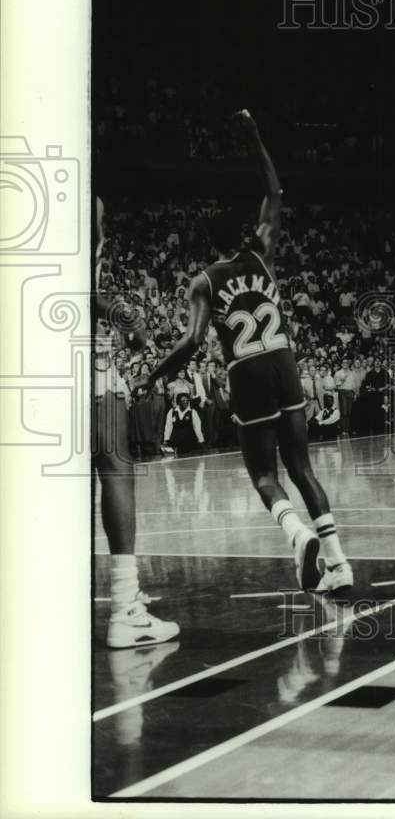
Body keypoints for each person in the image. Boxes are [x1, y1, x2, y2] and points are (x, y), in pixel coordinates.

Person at [146, 110, 352, 595]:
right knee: (302, 469)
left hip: (247, 372)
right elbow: (276, 191)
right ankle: (340, 564)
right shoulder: (262, 253)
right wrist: (255, 134)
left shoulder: (202, 281)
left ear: (205, 245)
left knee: (263, 475)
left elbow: (193, 343)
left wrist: (153, 376)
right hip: (284, 363)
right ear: (243, 232)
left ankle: (297, 534)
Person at [93, 197, 179, 649]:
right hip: (80, 359)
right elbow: (80, 292)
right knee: (116, 470)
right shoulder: (77, 202)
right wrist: (129, 318)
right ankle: (126, 608)